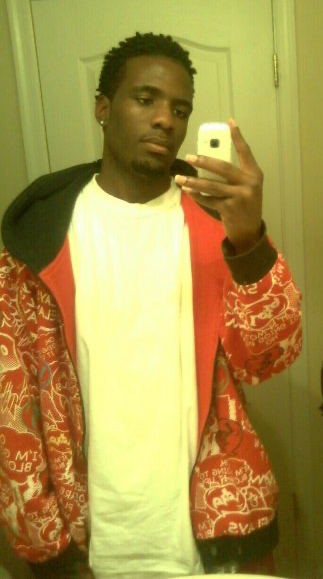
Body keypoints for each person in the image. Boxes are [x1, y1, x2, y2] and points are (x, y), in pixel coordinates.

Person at [0, 32, 302, 578]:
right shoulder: (37, 240)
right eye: (145, 99)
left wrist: (250, 242)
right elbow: (12, 406)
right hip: (89, 541)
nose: (165, 119)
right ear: (103, 107)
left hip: (213, 538)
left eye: (180, 109)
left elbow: (268, 359)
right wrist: (48, 547)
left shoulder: (217, 227)